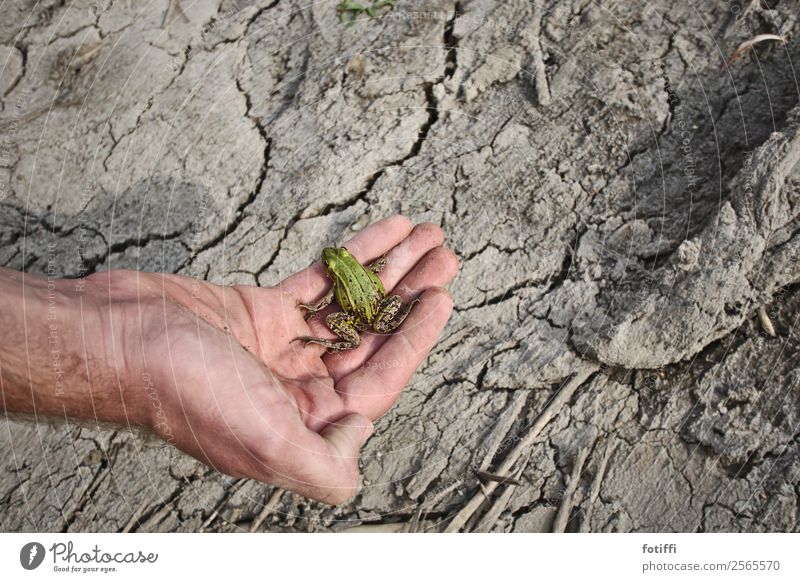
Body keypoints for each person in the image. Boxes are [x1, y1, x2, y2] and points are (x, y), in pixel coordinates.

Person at [0, 216, 458, 504]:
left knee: (351, 320)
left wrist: (317, 316)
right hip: (375, 306)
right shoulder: (358, 272)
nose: (330, 262)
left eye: (334, 262)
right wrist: (134, 344)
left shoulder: (343, 278)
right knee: (397, 302)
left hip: (359, 315)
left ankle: (342, 342)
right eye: (335, 262)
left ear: (341, 269)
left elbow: (323, 308)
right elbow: (365, 276)